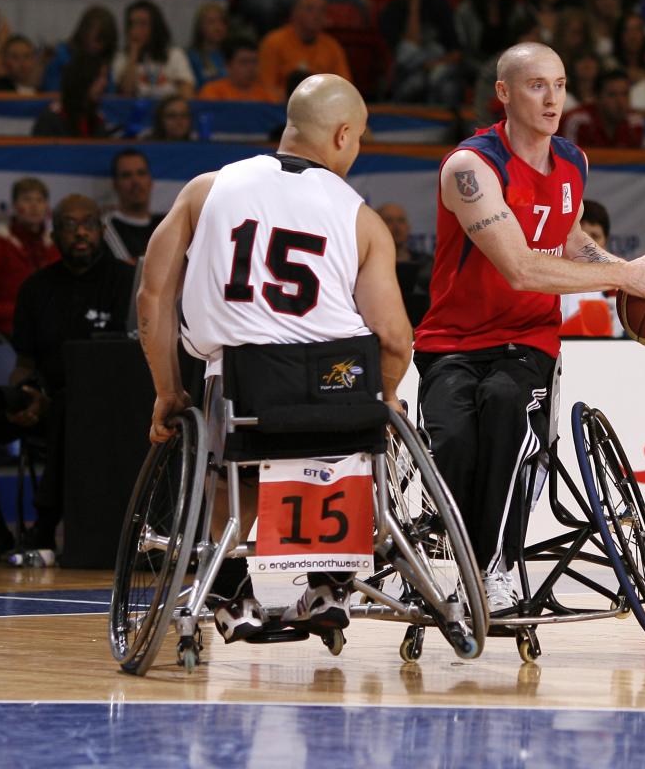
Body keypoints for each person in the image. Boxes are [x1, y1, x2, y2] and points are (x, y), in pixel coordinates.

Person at [136, 73, 413, 644]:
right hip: (336, 394)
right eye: (358, 139)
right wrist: (382, 399)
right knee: (349, 442)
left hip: (240, 389)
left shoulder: (206, 189)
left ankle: (230, 594)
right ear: (342, 136)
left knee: (225, 473)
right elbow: (393, 338)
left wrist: (168, 390)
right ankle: (330, 584)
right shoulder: (361, 218)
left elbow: (153, 295)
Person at [413, 42, 645, 612]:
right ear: (504, 93)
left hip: (528, 341)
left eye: (560, 84)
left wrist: (619, 270)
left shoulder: (573, 161)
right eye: (537, 84)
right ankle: (454, 552)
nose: (553, 97)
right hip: (452, 340)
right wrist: (622, 278)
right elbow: (518, 266)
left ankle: (498, 566)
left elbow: (566, 237)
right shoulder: (472, 168)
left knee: (507, 409)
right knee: (457, 442)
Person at [0, 194, 135, 563]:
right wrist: (26, 393)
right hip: (42, 397)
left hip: (106, 408)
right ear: (55, 234)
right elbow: (24, 361)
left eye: (88, 224)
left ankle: (44, 530)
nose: (80, 233)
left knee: (70, 405)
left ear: (102, 229)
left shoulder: (126, 282)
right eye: (68, 225)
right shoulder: (36, 288)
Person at [0, 177, 57, 336]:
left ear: (47, 207)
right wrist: (22, 312)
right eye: (26, 199)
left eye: (40, 200)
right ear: (14, 206)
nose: (34, 206)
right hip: (7, 333)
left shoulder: (55, 245)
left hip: (51, 333)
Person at [379, 0, 463, 105]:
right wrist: (414, 4)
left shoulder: (439, 5)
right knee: (416, 82)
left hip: (439, 67)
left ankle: (449, 124)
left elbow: (456, 52)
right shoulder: (390, 12)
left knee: (445, 83)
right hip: (408, 72)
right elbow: (410, 46)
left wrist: (435, 65)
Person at [258, 0, 351, 101]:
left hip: (322, 109)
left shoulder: (332, 46)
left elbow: (344, 89)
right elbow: (265, 88)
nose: (317, 15)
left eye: (322, 10)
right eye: (310, 9)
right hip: (281, 109)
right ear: (294, 13)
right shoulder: (273, 42)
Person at [559, 200, 623, 335]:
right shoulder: (547, 277)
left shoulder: (616, 289)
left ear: (605, 241)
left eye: (595, 236)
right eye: (581, 235)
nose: (585, 245)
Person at [113, 0, 195, 99]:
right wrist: (134, 53)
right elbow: (126, 93)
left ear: (155, 27)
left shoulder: (174, 54)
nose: (136, 29)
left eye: (143, 24)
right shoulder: (122, 57)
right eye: (132, 24)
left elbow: (188, 93)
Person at [103, 150, 165, 263]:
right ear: (115, 184)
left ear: (150, 180)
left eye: (141, 173)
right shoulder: (105, 227)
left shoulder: (165, 223)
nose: (135, 181)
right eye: (126, 175)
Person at [377, 201, 432, 326]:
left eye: (401, 220)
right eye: (389, 221)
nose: (396, 226)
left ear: (408, 227)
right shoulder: (367, 267)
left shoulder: (428, 264)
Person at [40, 5, 117, 93]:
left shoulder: (103, 61)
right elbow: (53, 94)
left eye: (104, 41)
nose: (99, 46)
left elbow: (110, 97)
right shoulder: (59, 55)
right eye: (97, 39)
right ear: (84, 32)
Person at [561, 68, 645, 148]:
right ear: (597, 97)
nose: (620, 102)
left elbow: (635, 162)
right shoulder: (578, 122)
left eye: (625, 94)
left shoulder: (635, 123)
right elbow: (567, 161)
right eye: (612, 95)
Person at [31, 54, 110, 138]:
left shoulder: (98, 119)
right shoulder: (52, 118)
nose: (105, 83)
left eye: (105, 77)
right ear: (82, 78)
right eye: (99, 76)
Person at [198, 37, 278, 102]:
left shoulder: (268, 95)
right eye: (244, 62)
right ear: (228, 66)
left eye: (254, 62)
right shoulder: (212, 92)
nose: (251, 68)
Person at [188, 2, 228, 89]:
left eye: (222, 22)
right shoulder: (191, 57)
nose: (218, 27)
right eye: (211, 22)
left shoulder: (233, 55)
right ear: (200, 27)